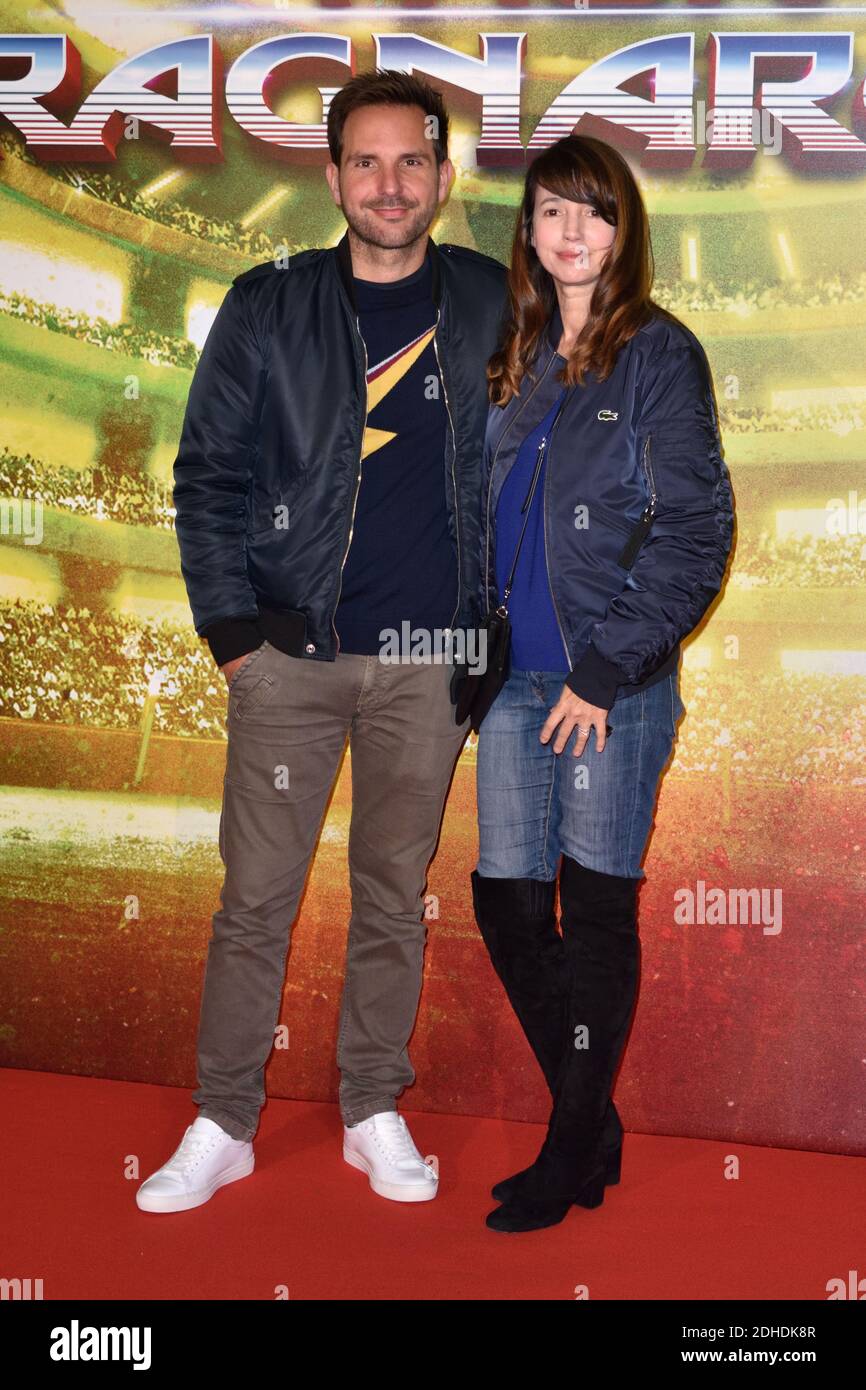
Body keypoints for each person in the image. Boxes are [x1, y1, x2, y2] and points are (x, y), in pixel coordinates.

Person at [137, 71, 508, 1213]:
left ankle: (369, 1105)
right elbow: (205, 476)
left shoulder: (497, 300)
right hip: (286, 661)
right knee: (255, 899)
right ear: (332, 175)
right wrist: (232, 636)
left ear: (442, 180)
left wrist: (491, 625)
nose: (389, 184)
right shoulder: (268, 303)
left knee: (393, 894)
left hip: (425, 662)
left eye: (410, 162)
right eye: (366, 161)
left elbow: (539, 463)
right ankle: (224, 1119)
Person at [471, 134, 735, 1233]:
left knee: (597, 907)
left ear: (623, 233)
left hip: (604, 688)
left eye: (593, 213)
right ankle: (592, 1122)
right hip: (509, 683)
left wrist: (603, 666)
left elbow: (696, 528)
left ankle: (568, 1140)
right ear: (526, 232)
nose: (569, 232)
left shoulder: (659, 355)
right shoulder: (514, 347)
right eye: (548, 213)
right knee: (504, 899)